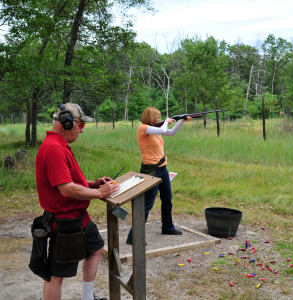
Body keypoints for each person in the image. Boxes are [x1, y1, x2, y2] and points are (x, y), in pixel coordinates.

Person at [35, 103, 120, 300]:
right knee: (55, 276)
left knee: (96, 248)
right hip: (66, 222)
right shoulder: (55, 149)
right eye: (80, 124)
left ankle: (87, 298)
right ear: (66, 122)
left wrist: (92, 184)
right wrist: (99, 193)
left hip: (78, 219)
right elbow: (66, 189)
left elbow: (66, 180)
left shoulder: (60, 145)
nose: (82, 130)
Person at [126, 107, 192, 244]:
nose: (159, 119)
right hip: (151, 170)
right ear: (150, 117)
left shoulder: (155, 130)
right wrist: (167, 121)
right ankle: (133, 237)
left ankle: (168, 227)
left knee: (167, 198)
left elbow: (171, 133)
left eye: (159, 118)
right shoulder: (143, 128)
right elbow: (163, 129)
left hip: (163, 168)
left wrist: (180, 121)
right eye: (157, 117)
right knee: (147, 204)